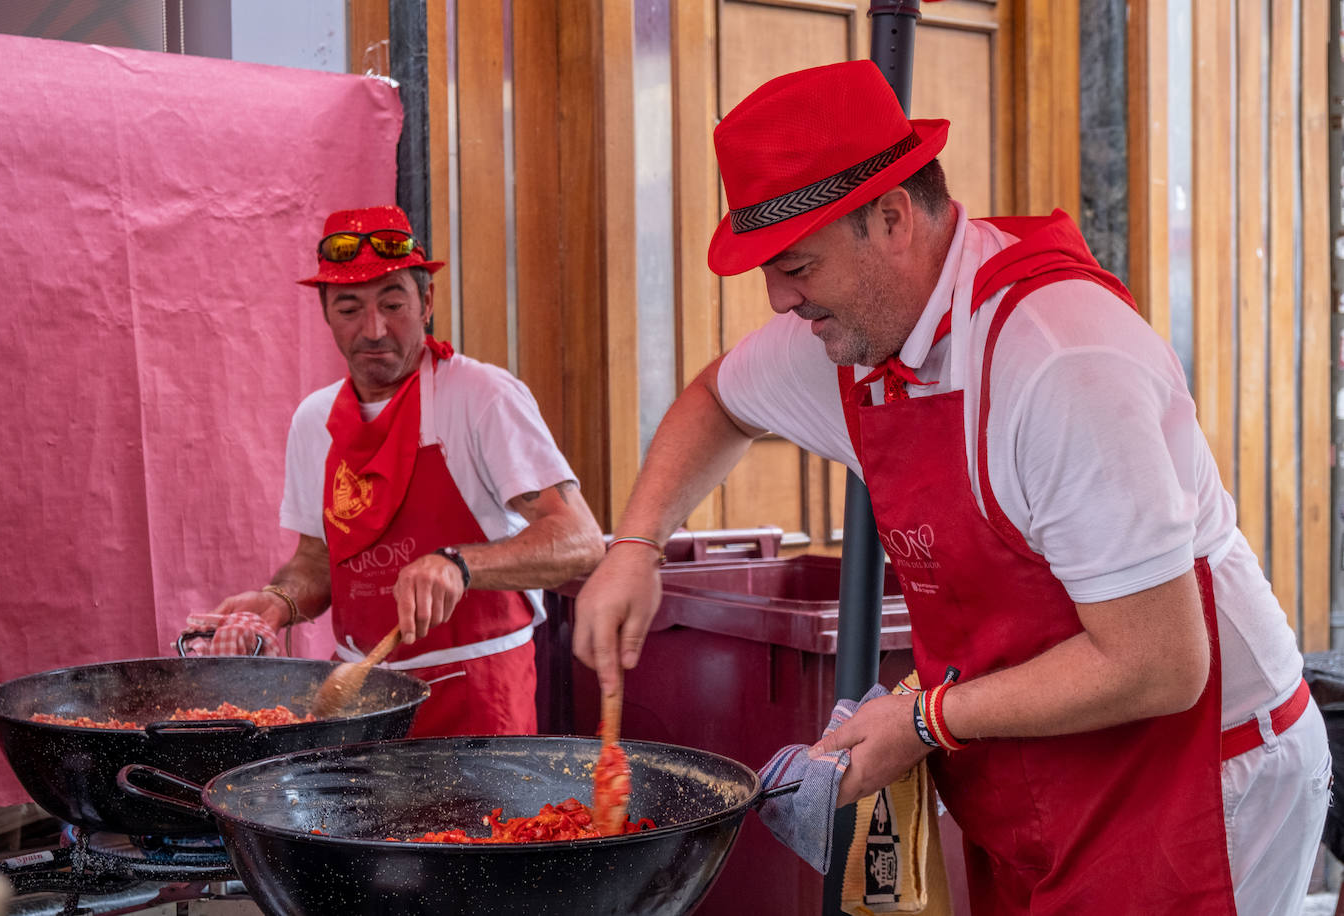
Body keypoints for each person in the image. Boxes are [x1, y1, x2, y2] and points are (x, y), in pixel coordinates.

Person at [572, 61, 1329, 915]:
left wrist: (923, 721)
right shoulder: (854, 330)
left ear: (891, 217)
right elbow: (718, 399)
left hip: (1198, 775)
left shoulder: (1058, 359)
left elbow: (1160, 664)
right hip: (1038, 776)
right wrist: (635, 547)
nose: (780, 300)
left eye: (796, 265)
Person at [194, 204, 604, 738]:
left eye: (393, 304)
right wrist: (279, 602)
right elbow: (317, 560)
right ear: (325, 313)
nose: (374, 329)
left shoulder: (479, 397)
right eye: (349, 309)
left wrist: (459, 564)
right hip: (358, 697)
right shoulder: (315, 421)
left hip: (475, 693)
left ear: (426, 301)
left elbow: (580, 541)